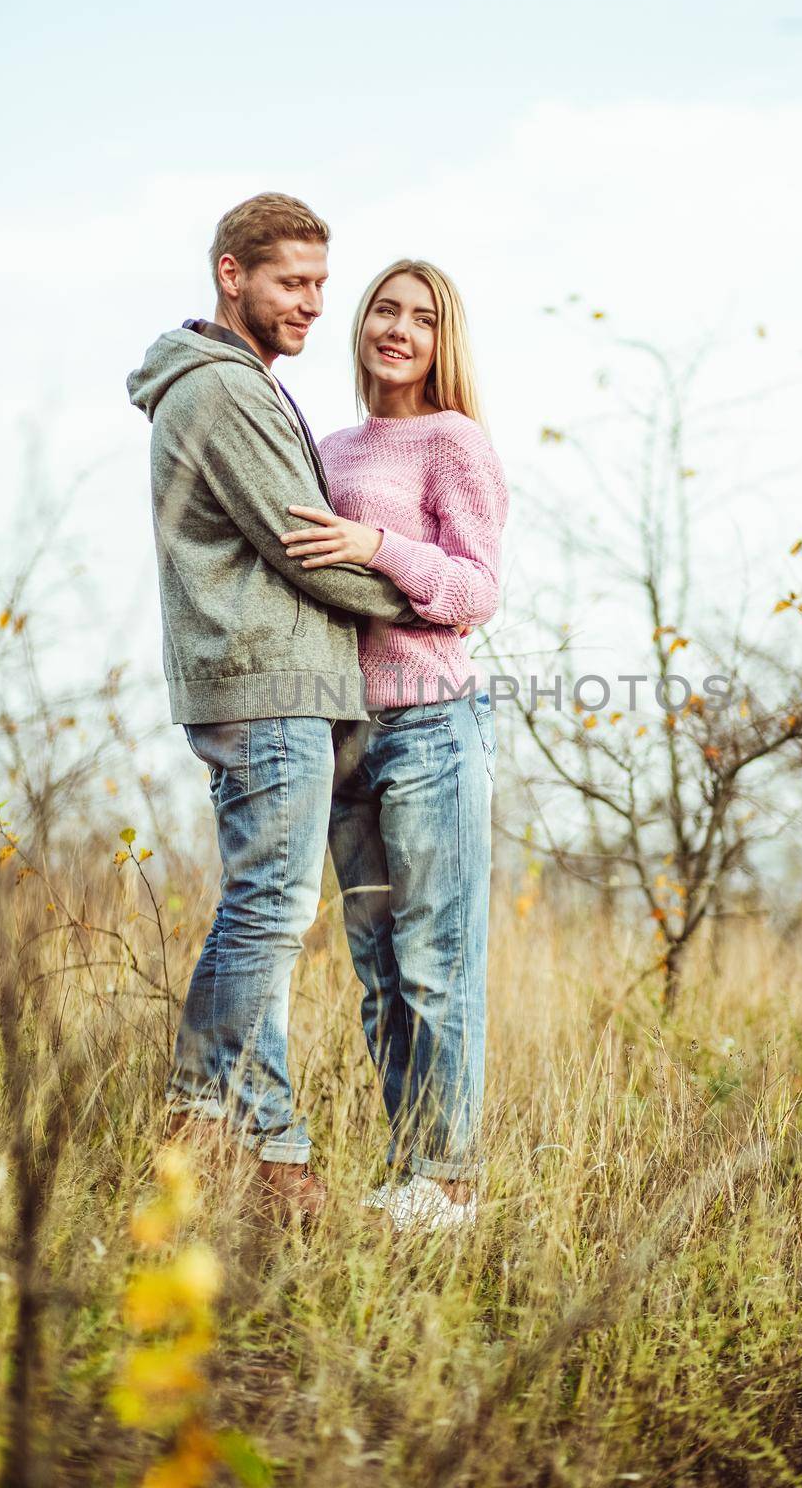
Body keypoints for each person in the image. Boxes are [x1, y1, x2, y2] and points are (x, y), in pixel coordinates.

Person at [127, 194, 426, 1225]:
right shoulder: (222, 392)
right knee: (267, 909)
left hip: (273, 685)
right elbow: (307, 543)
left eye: (317, 285)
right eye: (290, 283)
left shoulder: (232, 383)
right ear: (229, 274)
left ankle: (268, 1158)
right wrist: (421, 596)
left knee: (271, 908)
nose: (311, 305)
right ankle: (205, 1114)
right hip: (267, 688)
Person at [280, 259, 508, 1231]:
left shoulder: (451, 440)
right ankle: (407, 1167)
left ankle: (448, 1179)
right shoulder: (326, 446)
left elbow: (474, 591)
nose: (398, 328)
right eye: (385, 308)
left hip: (430, 728)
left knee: (434, 961)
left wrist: (375, 548)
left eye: (421, 317)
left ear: (439, 339)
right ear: (361, 323)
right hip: (340, 735)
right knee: (377, 977)